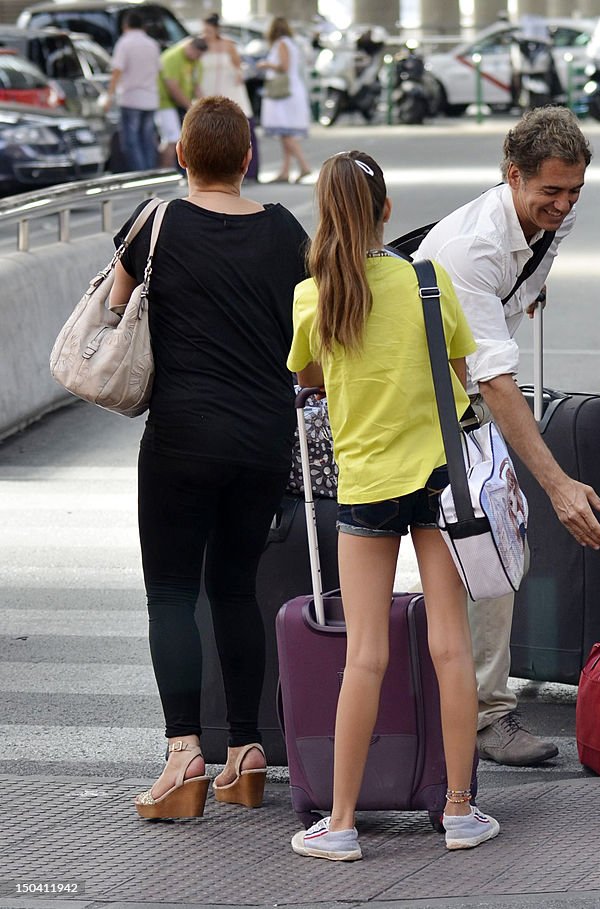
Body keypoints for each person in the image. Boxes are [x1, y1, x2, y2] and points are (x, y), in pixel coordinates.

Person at [287, 151, 499, 860]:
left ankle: (342, 822)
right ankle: (461, 811)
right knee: (450, 644)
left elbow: (309, 376)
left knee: (365, 655)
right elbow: (463, 376)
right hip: (440, 479)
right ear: (385, 211)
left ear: (323, 211)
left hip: (366, 486)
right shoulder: (427, 281)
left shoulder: (312, 295)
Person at [110, 97, 309, 819]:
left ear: (181, 157)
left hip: (181, 439)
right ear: (249, 158)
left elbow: (112, 307)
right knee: (235, 589)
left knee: (171, 594)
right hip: (262, 440)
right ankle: (247, 753)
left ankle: (183, 754)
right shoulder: (286, 230)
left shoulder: (154, 222)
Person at [417, 107, 600, 767]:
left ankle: (481, 707)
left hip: (463, 396)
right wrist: (557, 484)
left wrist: (521, 296)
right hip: (422, 407)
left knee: (496, 544)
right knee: (478, 548)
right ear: (512, 176)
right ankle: (471, 714)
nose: (563, 205)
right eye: (549, 192)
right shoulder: (472, 248)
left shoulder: (556, 214)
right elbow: (494, 380)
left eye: (574, 192)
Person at [200, 13, 258, 183]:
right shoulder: (200, 46)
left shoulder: (228, 45)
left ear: (216, 29)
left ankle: (250, 171)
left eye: (209, 30)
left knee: (242, 128)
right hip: (207, 89)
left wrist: (239, 75)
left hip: (230, 88)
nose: (206, 34)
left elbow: (239, 67)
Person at [258, 17, 312, 184]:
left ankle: (304, 166)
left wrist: (266, 64)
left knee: (286, 132)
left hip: (284, 93)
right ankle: (285, 170)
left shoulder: (281, 43)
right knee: (284, 132)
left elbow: (284, 66)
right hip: (291, 90)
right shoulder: (291, 43)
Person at [106, 10, 160, 172]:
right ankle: (151, 172)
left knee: (131, 141)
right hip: (150, 98)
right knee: (148, 139)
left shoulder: (124, 43)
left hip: (131, 98)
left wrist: (109, 95)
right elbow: (158, 70)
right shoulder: (152, 44)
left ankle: (140, 174)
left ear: (125, 25)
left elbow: (117, 71)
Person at [155, 36, 207, 168]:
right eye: (196, 54)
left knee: (185, 140)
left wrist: (205, 106)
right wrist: (190, 106)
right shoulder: (172, 57)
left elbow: (196, 86)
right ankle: (165, 172)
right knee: (172, 138)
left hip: (182, 104)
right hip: (165, 103)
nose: (197, 58)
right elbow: (172, 86)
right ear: (190, 47)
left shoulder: (196, 61)